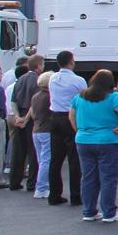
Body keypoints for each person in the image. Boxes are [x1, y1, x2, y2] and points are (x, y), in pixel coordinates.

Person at [70, 69, 118, 223]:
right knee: (108, 177)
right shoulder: (113, 97)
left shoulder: (79, 97)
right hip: (108, 140)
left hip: (84, 140)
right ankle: (109, 212)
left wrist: (79, 130)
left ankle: (89, 211)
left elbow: (71, 116)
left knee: (88, 177)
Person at [46, 50, 87, 205]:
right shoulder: (78, 80)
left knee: (55, 159)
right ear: (71, 62)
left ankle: (54, 194)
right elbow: (84, 98)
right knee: (74, 158)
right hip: (70, 117)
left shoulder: (53, 78)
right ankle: (76, 195)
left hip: (55, 116)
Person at [7, 54, 44, 191]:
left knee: (18, 151)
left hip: (19, 116)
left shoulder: (20, 79)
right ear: (38, 65)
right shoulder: (37, 80)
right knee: (33, 152)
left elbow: (13, 100)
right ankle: (32, 183)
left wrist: (18, 117)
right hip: (31, 118)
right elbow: (34, 102)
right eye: (42, 64)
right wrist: (26, 119)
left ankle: (14, 181)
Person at [28, 72, 53, 198]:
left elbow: (33, 114)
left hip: (36, 130)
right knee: (46, 160)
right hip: (46, 130)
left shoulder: (35, 97)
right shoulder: (50, 96)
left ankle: (42, 186)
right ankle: (41, 187)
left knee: (41, 160)